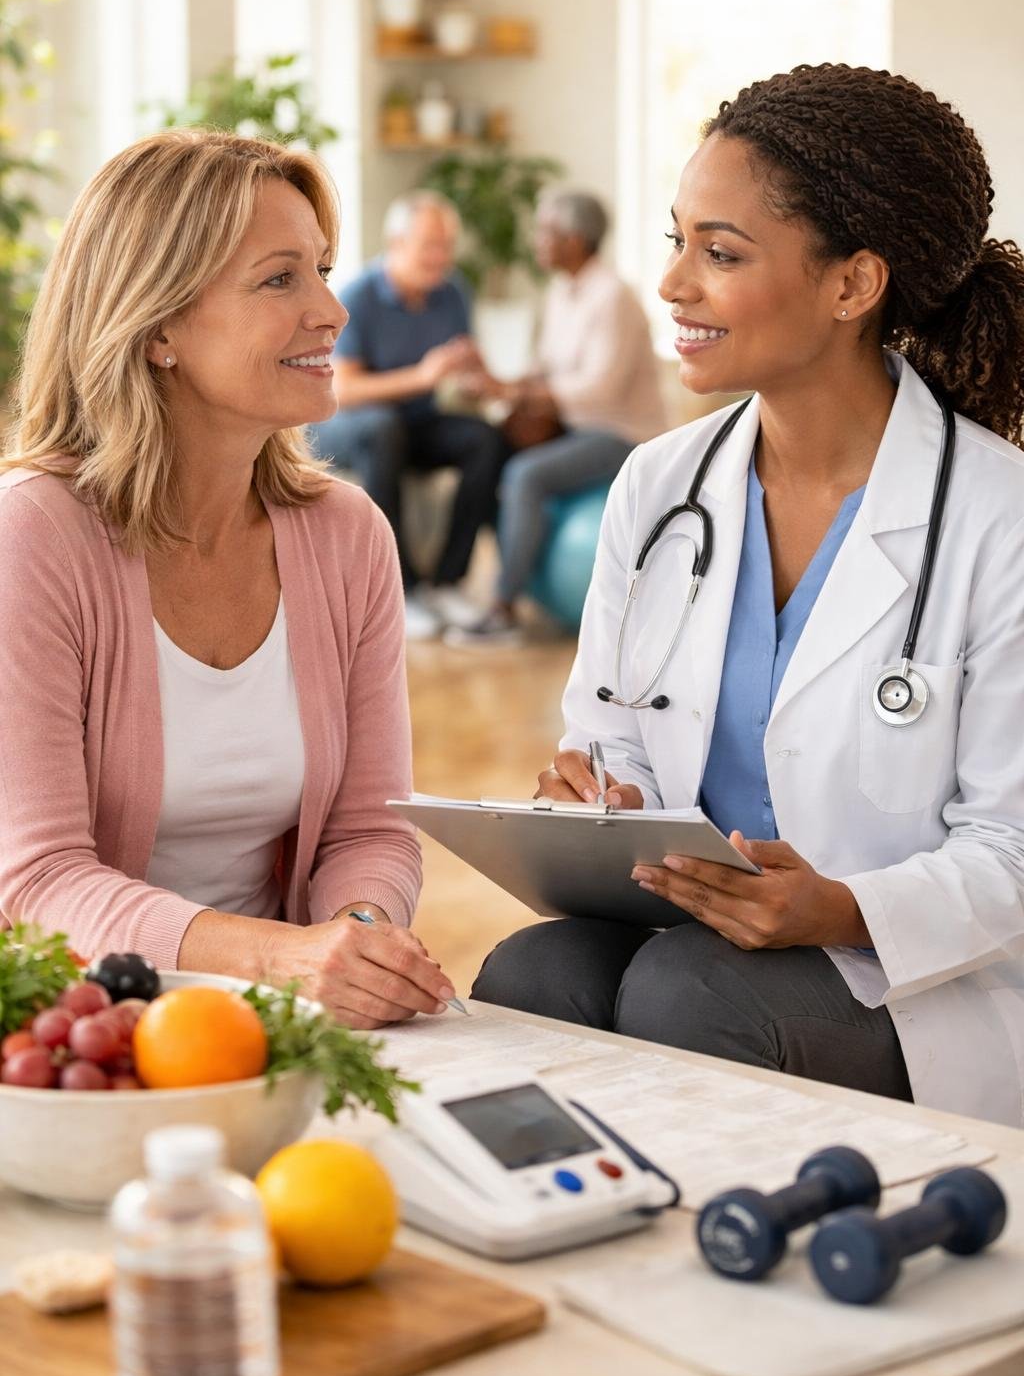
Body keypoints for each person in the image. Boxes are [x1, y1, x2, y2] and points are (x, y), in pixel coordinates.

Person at [472, 63, 1024, 1126]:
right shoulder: (659, 485)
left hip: (922, 984)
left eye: (719, 254)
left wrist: (842, 907)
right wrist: (602, 802)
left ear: (851, 286)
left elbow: (1012, 849)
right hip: (688, 933)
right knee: (538, 977)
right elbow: (612, 731)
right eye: (676, 240)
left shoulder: (998, 518)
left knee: (690, 995)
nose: (674, 284)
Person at [0, 130, 458, 1031]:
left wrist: (354, 938)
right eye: (279, 278)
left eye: (323, 269)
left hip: (275, 1018)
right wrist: (276, 955)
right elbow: (36, 879)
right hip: (68, 1024)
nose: (331, 310)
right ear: (158, 324)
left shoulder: (347, 536)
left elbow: (369, 828)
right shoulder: (33, 537)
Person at [448, 190, 667, 646]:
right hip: (574, 426)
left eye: (546, 231)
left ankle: (503, 608)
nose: (537, 240)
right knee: (486, 451)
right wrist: (495, 381)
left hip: (620, 432)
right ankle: (464, 583)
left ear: (575, 240)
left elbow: (598, 389)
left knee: (526, 475)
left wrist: (523, 392)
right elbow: (545, 367)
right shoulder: (560, 291)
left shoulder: (612, 297)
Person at [308, 191, 506, 640]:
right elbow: (345, 388)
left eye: (447, 246)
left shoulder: (453, 292)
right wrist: (423, 376)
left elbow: (458, 373)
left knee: (484, 438)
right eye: (430, 245)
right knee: (383, 427)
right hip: (349, 424)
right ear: (397, 244)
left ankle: (448, 581)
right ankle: (403, 587)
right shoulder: (359, 295)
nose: (441, 257)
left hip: (414, 421)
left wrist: (474, 377)